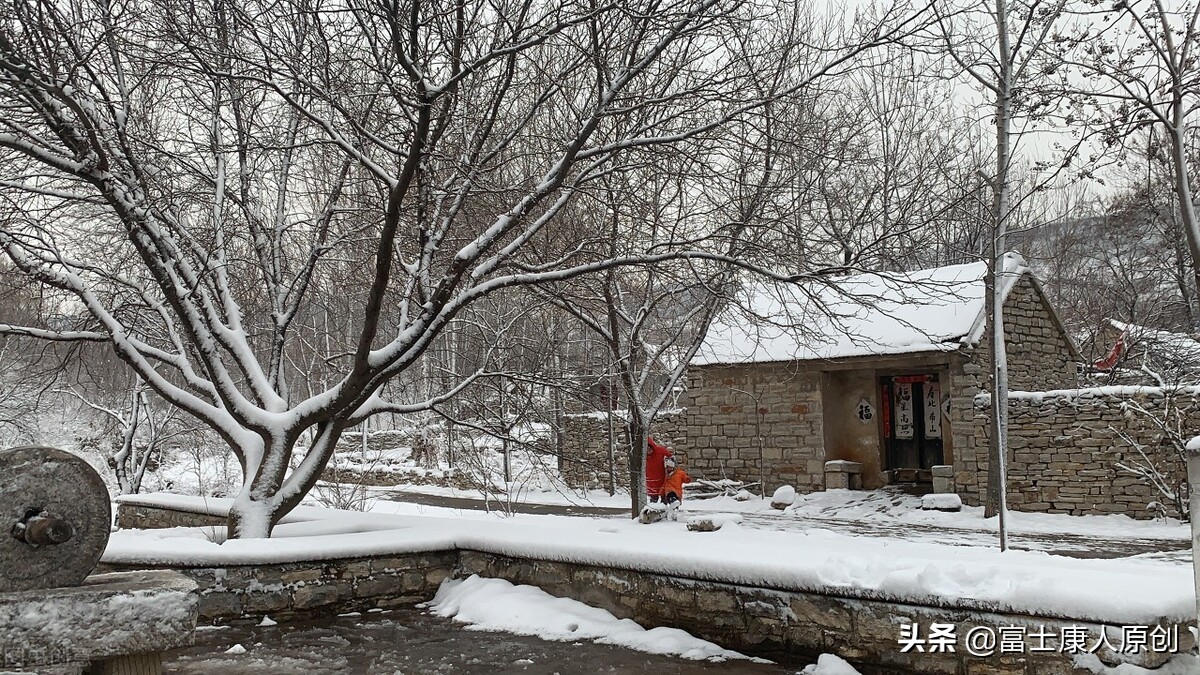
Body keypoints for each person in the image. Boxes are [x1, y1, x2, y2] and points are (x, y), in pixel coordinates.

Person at [660, 456, 692, 521]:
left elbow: (685, 478)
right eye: (668, 467)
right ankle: (673, 502)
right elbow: (663, 484)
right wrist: (661, 492)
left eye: (670, 467)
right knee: (671, 496)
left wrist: (687, 479)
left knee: (675, 505)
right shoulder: (666, 475)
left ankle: (675, 514)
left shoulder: (680, 473)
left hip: (677, 492)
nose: (669, 469)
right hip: (668, 491)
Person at [644, 437, 673, 503]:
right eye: (646, 449)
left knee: (664, 497)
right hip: (650, 480)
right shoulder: (643, 456)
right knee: (653, 498)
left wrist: (669, 465)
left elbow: (670, 457)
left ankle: (664, 510)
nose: (648, 451)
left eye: (649, 448)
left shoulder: (660, 451)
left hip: (662, 478)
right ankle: (653, 510)